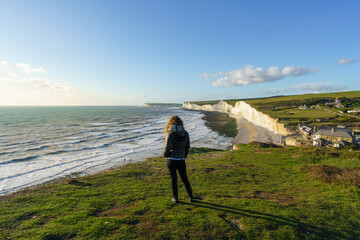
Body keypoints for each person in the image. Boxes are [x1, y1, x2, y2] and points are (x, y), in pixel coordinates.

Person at [164, 115, 193, 203]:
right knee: (184, 178)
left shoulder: (171, 134)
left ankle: (176, 199)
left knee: (174, 179)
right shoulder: (186, 133)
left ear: (171, 123)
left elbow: (167, 148)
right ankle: (191, 197)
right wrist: (184, 156)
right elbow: (187, 147)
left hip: (172, 159)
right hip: (181, 159)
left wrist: (166, 155)